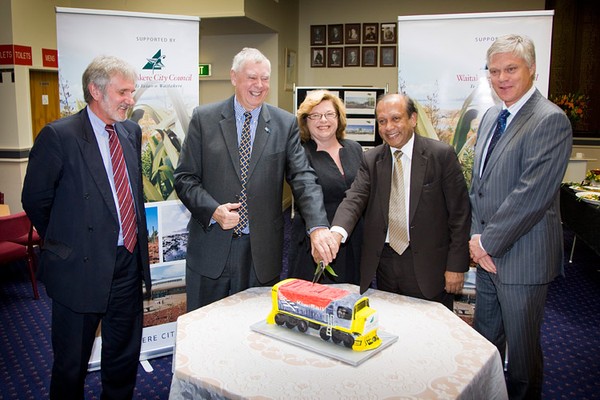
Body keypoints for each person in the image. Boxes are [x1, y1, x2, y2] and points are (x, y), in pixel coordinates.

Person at [21, 55, 152, 399]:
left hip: (126, 266)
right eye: (123, 91)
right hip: (79, 270)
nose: (131, 99)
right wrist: (68, 242)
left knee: (123, 360)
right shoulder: (58, 136)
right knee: (71, 367)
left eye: (132, 91)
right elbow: (36, 200)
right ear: (95, 90)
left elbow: (131, 194)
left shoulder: (131, 131)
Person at [174, 48, 336, 311]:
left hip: (261, 252)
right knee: (206, 330)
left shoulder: (284, 124)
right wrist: (213, 210)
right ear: (234, 77)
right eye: (251, 77)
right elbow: (184, 178)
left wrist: (317, 226)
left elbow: (303, 177)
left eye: (264, 78)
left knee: (254, 331)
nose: (259, 86)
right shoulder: (204, 119)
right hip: (211, 247)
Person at [469, 34, 572, 399]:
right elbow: (478, 187)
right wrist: (477, 241)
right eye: (494, 71)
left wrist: (487, 244)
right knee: (485, 346)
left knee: (524, 359)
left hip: (522, 259)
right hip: (486, 256)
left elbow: (531, 196)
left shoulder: (550, 120)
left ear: (532, 69)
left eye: (510, 69)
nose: (501, 78)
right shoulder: (491, 117)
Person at [330, 93, 471, 310]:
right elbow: (355, 198)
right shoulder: (372, 159)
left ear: (413, 119)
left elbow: (460, 215)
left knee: (431, 331)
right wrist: (337, 232)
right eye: (382, 121)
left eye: (396, 119)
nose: (388, 127)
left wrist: (456, 266)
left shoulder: (441, 155)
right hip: (385, 262)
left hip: (429, 263)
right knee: (393, 323)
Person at [288, 90, 364, 285]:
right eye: (315, 115)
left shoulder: (354, 149)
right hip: (316, 244)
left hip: (352, 239)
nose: (323, 120)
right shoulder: (299, 154)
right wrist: (320, 232)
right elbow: (305, 191)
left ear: (338, 117)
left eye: (329, 114)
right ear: (305, 120)